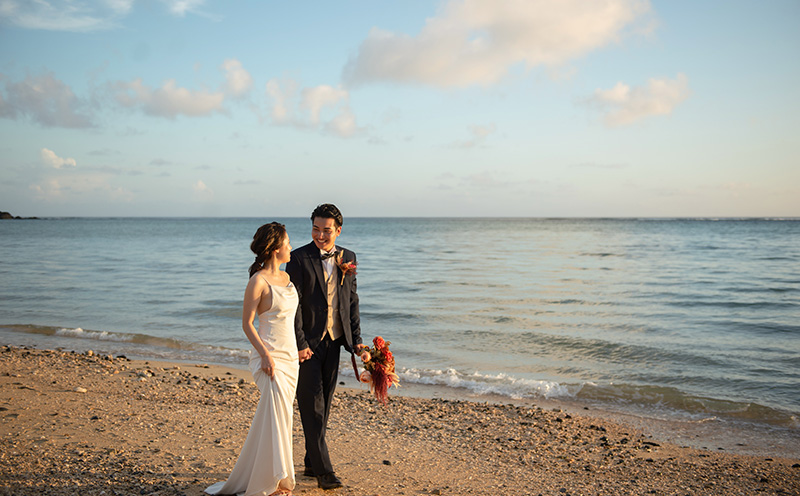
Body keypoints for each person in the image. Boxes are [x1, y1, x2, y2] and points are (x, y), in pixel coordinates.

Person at [206, 222, 298, 496]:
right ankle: (272, 481)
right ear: (274, 248)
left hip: (291, 357)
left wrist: (300, 349)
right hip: (269, 359)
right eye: (288, 243)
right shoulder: (258, 281)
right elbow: (247, 324)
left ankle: (276, 477)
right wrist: (265, 356)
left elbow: (292, 322)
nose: (291, 247)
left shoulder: (287, 278)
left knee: (282, 417)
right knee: (275, 415)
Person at [285, 204, 366, 490]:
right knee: (312, 406)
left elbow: (351, 302)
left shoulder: (350, 258)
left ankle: (310, 460)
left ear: (338, 230)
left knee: (325, 405)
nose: (320, 235)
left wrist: (356, 341)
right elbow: (291, 307)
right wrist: (299, 344)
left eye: (326, 230)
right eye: (315, 229)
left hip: (335, 342)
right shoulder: (297, 258)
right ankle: (324, 472)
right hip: (307, 345)